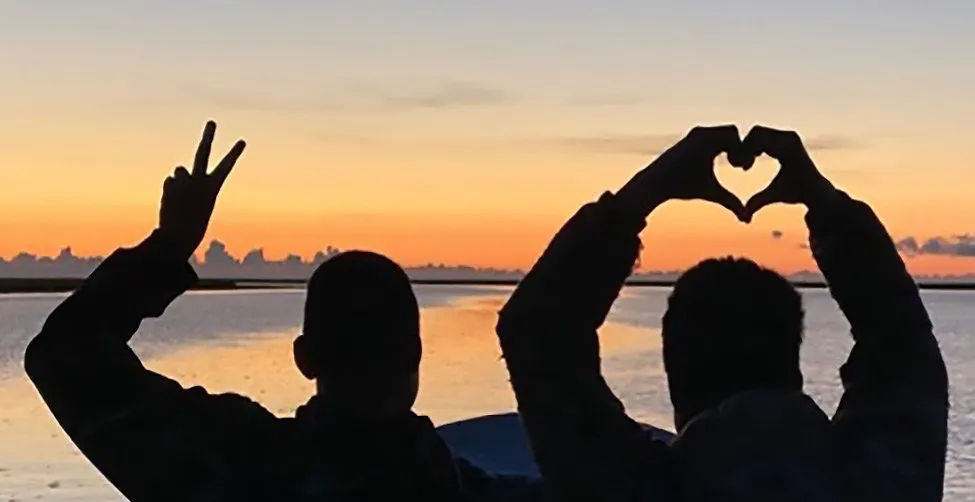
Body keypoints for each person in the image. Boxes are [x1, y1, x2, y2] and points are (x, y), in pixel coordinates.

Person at [24, 121, 544, 502]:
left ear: (305, 358)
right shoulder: (453, 487)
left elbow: (63, 355)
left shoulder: (230, 461)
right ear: (417, 356)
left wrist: (169, 245)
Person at [495, 124, 948, 501]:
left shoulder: (639, 488)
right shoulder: (885, 479)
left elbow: (540, 332)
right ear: (791, 361)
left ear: (675, 376)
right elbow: (903, 348)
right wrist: (827, 206)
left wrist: (646, 192)